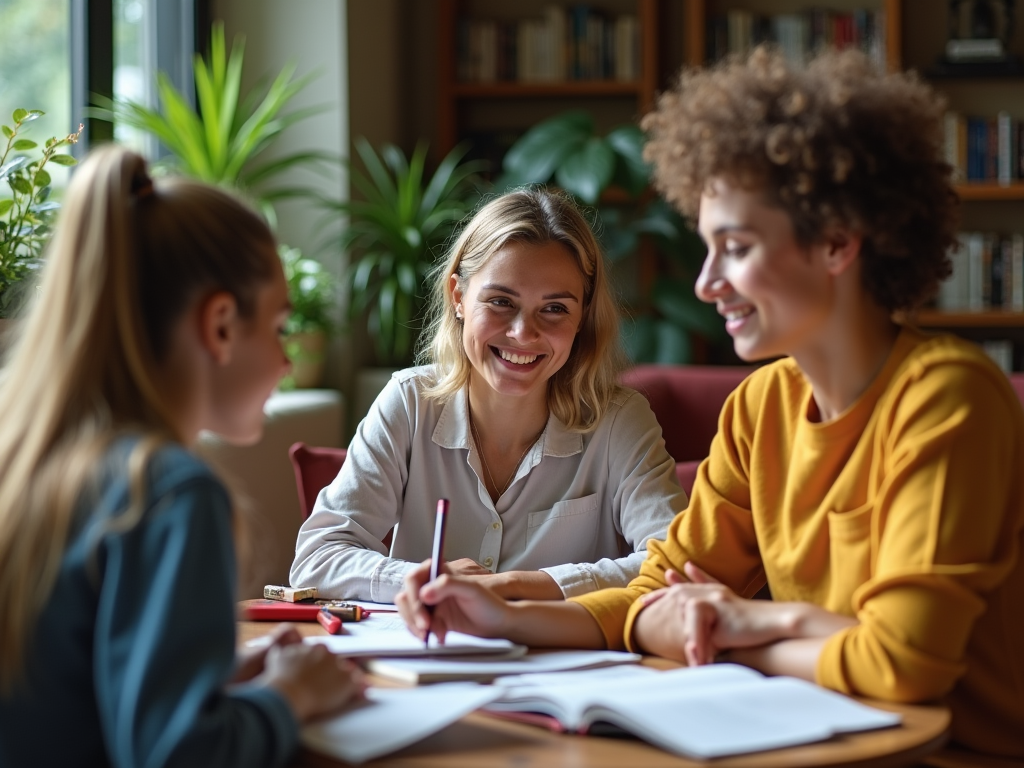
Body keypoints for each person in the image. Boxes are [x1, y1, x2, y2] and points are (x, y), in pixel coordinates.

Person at [394, 47, 1024, 760]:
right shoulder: (760, 408)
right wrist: (500, 616)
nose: (705, 283)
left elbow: (901, 666)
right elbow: (654, 597)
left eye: (736, 247)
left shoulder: (947, 398)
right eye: (706, 248)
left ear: (838, 243)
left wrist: (743, 629)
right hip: (811, 743)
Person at [0, 146, 362, 768]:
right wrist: (290, 695)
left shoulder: (32, 458)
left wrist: (213, 681)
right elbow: (177, 755)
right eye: (278, 328)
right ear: (220, 325)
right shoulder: (168, 491)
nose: (284, 360)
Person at [291, 188, 684, 603]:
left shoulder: (619, 420)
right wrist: (425, 580)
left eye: (554, 309)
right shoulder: (409, 402)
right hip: (428, 663)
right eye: (500, 301)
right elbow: (317, 558)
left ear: (582, 317)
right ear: (459, 297)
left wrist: (518, 585)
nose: (522, 333)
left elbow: (675, 562)